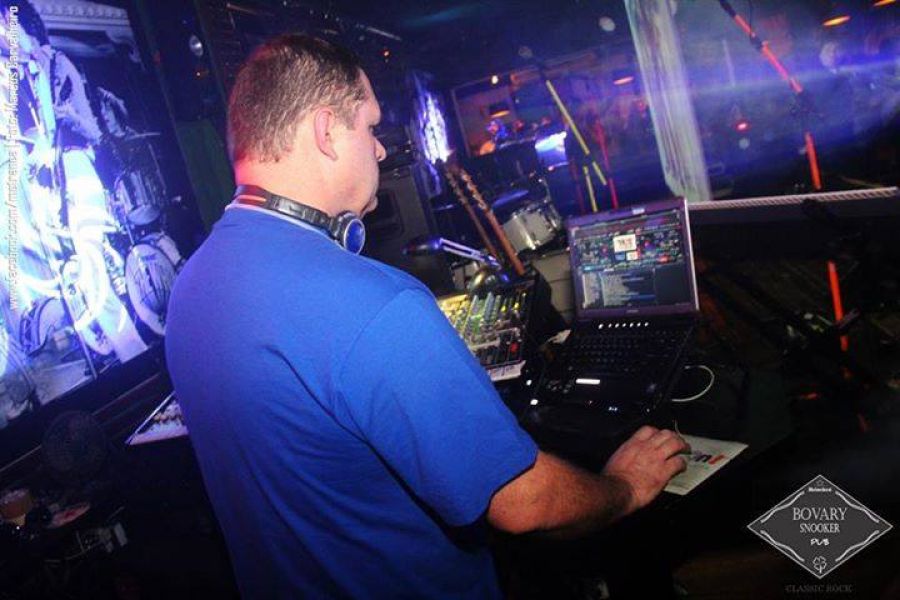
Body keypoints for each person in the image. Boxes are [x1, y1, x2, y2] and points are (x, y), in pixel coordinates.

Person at [165, 34, 689, 598]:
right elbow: (523, 504)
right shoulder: (374, 304)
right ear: (326, 132)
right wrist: (624, 487)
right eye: (370, 127)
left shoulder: (192, 285)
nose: (380, 150)